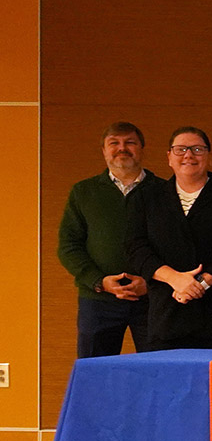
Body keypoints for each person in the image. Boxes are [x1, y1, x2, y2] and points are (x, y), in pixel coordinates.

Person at [124, 126, 212, 351]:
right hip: (166, 311)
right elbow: (135, 248)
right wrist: (175, 278)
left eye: (197, 149)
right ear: (169, 157)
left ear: (209, 157)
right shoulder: (145, 197)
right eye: (180, 149)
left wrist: (201, 283)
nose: (188, 155)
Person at [58, 121, 154, 357]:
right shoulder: (83, 192)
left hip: (152, 299)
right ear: (104, 150)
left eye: (130, 142)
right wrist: (99, 281)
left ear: (141, 148)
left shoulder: (162, 191)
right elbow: (68, 246)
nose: (122, 148)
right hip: (98, 300)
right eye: (114, 143)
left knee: (159, 371)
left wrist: (150, 282)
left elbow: (174, 246)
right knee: (94, 372)